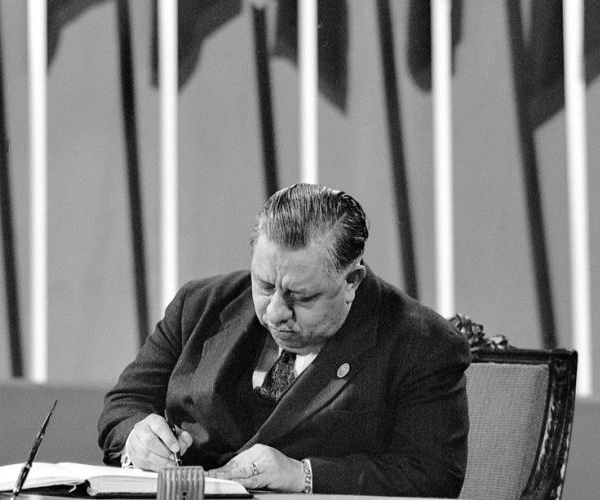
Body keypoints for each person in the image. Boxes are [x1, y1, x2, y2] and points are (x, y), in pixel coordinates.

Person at [98, 184, 470, 497]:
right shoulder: (199, 305)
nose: (275, 311)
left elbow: (433, 477)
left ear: (351, 282)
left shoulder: (422, 344)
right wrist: (137, 438)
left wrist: (302, 475)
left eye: (301, 297)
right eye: (264, 285)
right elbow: (123, 405)